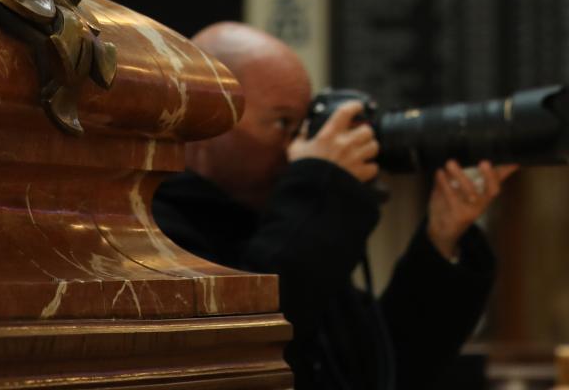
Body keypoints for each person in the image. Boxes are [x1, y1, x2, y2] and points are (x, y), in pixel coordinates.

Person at [152, 21, 517, 390]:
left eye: (304, 124)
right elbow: (243, 346)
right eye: (283, 122)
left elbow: (384, 366)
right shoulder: (151, 231)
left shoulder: (286, 215)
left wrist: (441, 239)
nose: (300, 145)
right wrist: (319, 185)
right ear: (201, 124)